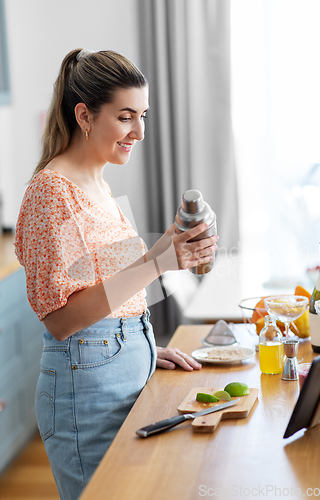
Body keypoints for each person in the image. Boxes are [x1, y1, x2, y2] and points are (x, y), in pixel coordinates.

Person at [14, 48, 218, 500]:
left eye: (143, 116)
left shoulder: (99, 183)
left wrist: (139, 346)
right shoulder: (51, 192)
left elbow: (116, 287)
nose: (139, 132)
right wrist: (161, 262)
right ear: (84, 115)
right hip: (85, 391)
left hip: (122, 363)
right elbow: (62, 319)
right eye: (126, 117)